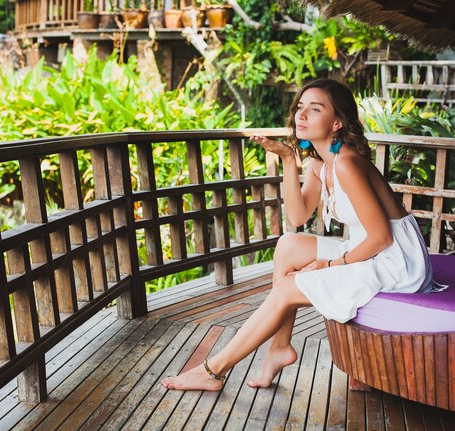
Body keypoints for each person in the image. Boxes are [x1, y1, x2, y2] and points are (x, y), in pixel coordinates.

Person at [161, 78, 439, 391]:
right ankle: (279, 347)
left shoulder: (347, 163)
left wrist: (329, 265)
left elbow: (382, 239)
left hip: (397, 263)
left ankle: (213, 371)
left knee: (286, 288)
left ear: (336, 123)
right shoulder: (323, 165)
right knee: (288, 246)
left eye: (315, 108)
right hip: (370, 248)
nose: (301, 115)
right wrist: (289, 160)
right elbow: (297, 216)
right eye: (300, 107)